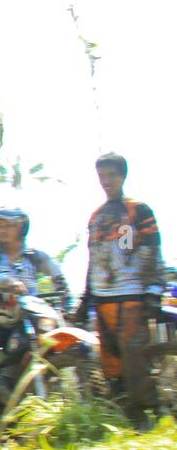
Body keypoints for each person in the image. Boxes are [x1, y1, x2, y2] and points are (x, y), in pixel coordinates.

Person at [74, 153, 165, 426]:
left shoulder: (139, 210)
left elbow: (152, 250)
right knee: (111, 361)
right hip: (103, 299)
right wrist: (85, 299)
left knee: (135, 358)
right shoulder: (96, 216)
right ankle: (127, 417)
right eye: (102, 176)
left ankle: (154, 414)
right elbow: (94, 258)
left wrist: (153, 290)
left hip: (132, 295)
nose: (106, 181)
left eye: (112, 175)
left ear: (122, 176)